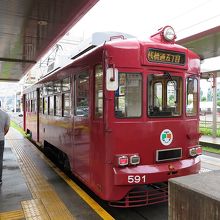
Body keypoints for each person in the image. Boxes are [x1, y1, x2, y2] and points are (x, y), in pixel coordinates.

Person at [0, 108, 10, 185]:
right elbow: (6, 128)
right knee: (0, 159)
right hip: (1, 140)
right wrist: (2, 135)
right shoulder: (5, 115)